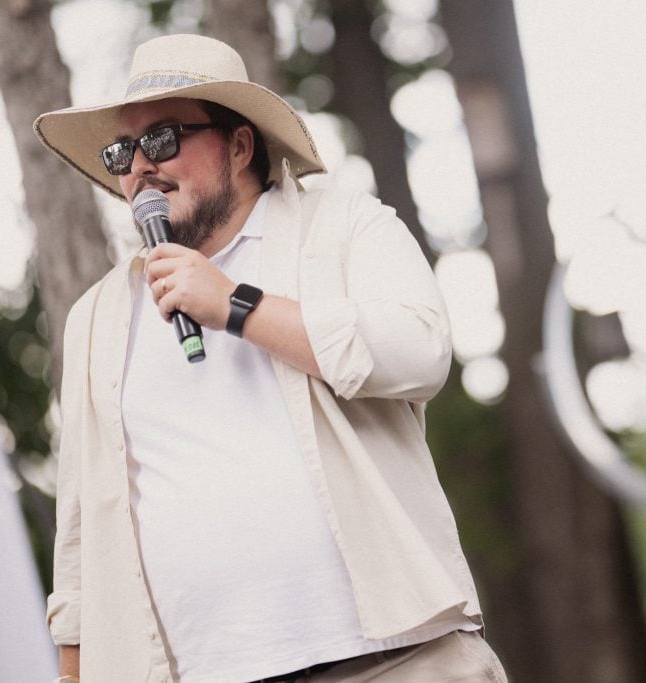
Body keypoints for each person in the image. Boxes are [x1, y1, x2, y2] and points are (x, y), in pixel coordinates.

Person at [33, 33, 506, 683]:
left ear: (239, 145)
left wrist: (235, 304)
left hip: (398, 658)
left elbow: (419, 353)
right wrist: (72, 666)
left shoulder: (344, 226)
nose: (140, 165)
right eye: (123, 150)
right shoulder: (97, 314)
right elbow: (82, 524)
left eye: (163, 139)